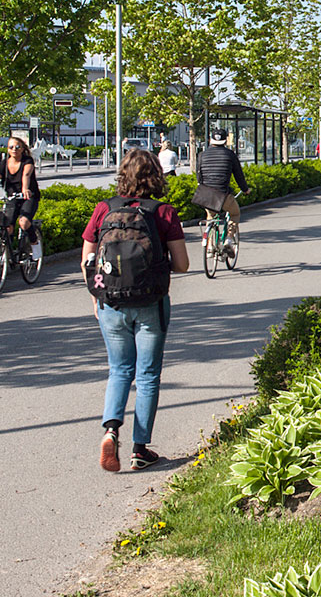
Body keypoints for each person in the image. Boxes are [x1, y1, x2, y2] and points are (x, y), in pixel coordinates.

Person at [81, 148, 189, 472]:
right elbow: (183, 265)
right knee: (147, 375)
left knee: (119, 370)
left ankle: (111, 430)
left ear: (122, 175)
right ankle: (140, 450)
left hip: (111, 303)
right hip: (150, 303)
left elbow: (86, 260)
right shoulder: (163, 212)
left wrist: (96, 298)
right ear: (156, 175)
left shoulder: (104, 210)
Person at [0, 136, 42, 259]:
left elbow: (26, 175)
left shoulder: (27, 161)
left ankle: (35, 243)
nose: (14, 149)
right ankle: (7, 254)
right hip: (12, 197)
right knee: (7, 227)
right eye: (11, 147)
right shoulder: (5, 163)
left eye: (17, 147)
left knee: (24, 223)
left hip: (28, 197)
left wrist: (25, 189)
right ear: (7, 149)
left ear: (22, 148)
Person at [197, 128, 251, 253]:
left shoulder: (202, 155)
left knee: (210, 216)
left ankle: (210, 246)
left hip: (206, 193)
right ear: (225, 140)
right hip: (223, 193)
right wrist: (245, 189)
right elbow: (239, 175)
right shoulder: (230, 155)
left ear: (210, 139)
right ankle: (229, 239)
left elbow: (199, 177)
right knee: (235, 213)